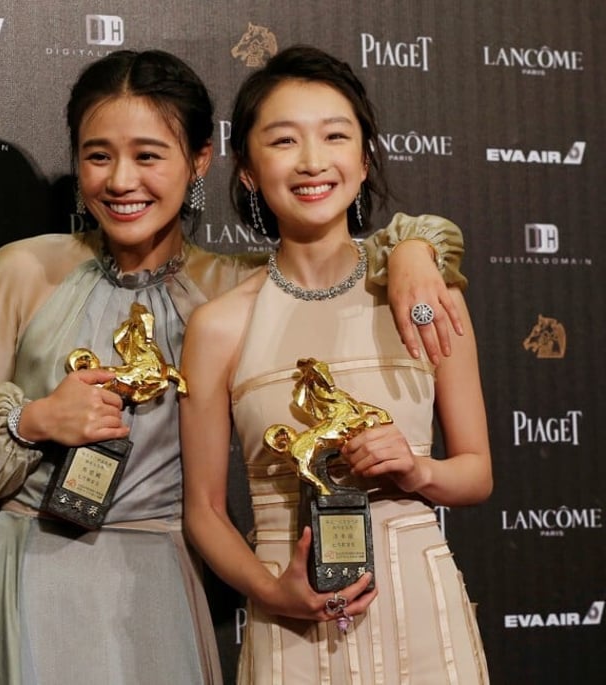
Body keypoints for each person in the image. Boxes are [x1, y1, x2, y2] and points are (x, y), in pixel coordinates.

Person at [0, 49, 469, 685]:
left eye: (148, 155)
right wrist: (34, 419)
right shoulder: (23, 270)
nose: (121, 181)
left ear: (200, 160)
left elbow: (332, 254)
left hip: (161, 583)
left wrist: (416, 246)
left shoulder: (235, 289)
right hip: (31, 570)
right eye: (97, 156)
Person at [179, 45, 492, 684]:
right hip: (290, 620)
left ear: (364, 155)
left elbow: (477, 474)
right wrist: (273, 592)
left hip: (422, 615)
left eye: (335, 136)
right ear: (246, 170)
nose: (313, 162)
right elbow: (205, 511)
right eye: (284, 140)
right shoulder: (218, 326)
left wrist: (417, 470)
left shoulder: (428, 296)